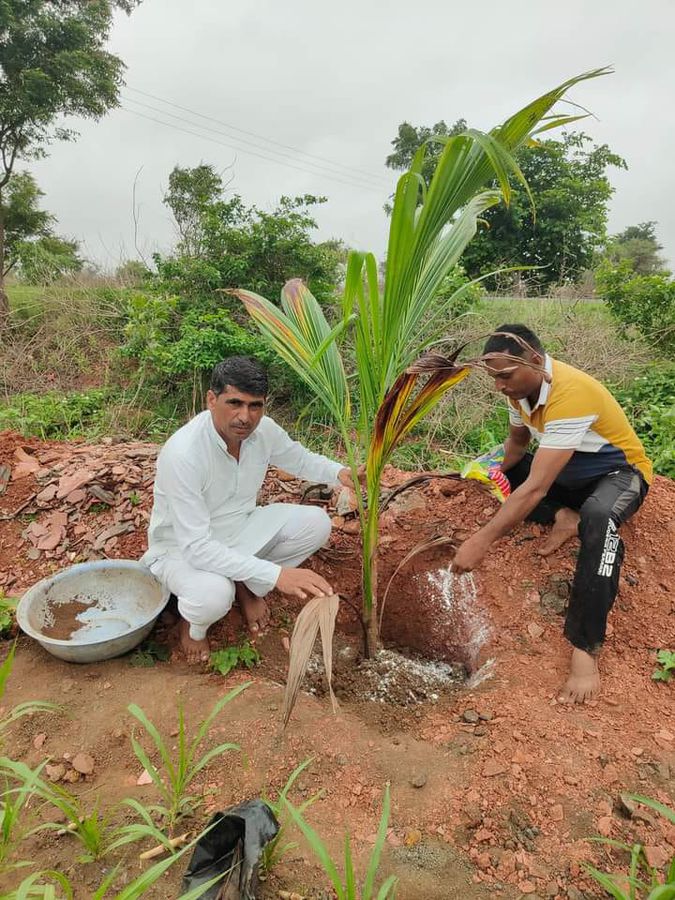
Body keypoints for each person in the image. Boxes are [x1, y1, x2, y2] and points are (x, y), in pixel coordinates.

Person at [451, 324, 652, 703]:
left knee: (598, 518)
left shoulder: (570, 394)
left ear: (536, 361)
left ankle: (585, 650)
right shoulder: (519, 392)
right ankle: (563, 515)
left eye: (505, 376)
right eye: (494, 378)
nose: (499, 386)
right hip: (567, 476)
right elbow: (516, 444)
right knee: (505, 474)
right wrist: (483, 469)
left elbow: (536, 487)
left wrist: (481, 540)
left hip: (618, 476)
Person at [141, 355, 358, 664]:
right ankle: (193, 627)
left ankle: (246, 585)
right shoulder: (184, 454)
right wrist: (277, 575)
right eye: (235, 403)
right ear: (211, 400)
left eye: (255, 406)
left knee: (316, 523)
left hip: (239, 529)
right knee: (213, 596)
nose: (245, 416)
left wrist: (340, 473)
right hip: (181, 550)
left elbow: (298, 458)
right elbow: (197, 548)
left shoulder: (263, 432)